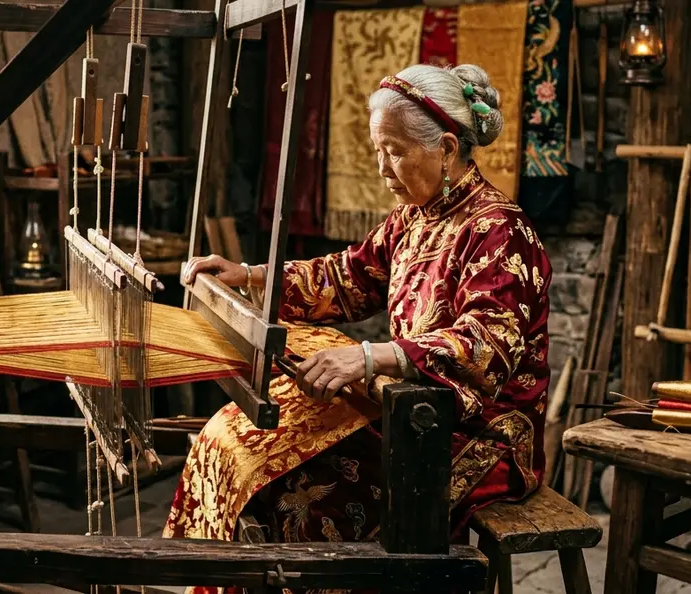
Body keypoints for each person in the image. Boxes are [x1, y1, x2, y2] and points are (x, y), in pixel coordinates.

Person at [164, 63, 552, 566]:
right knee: (241, 444)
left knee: (292, 494)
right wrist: (250, 275)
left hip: (480, 432)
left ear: (447, 149)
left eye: (394, 152)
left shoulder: (501, 231)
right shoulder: (414, 217)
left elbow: (484, 347)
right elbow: (349, 277)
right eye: (377, 151)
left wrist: (369, 358)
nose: (382, 169)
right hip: (413, 410)